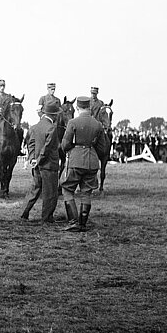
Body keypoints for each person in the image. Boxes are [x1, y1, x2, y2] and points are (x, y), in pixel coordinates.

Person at [59, 96, 107, 232]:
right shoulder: (97, 124)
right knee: (86, 193)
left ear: (77, 108)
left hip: (76, 160)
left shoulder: (73, 122)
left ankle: (74, 221)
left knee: (67, 189)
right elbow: (103, 148)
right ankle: (83, 224)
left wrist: (72, 148)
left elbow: (64, 144)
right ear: (89, 108)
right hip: (92, 162)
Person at [21, 102, 62, 223]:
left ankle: (24, 213)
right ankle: (47, 217)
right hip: (48, 165)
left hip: (37, 165)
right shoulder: (52, 128)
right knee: (50, 193)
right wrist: (39, 161)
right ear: (54, 115)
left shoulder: (34, 127)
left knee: (34, 189)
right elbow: (47, 148)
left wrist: (33, 159)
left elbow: (31, 145)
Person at [0, 79, 24, 155]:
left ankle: (18, 149)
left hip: (7, 120)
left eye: (3, 86)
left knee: (20, 131)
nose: (2, 88)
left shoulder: (9, 97)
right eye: (0, 86)